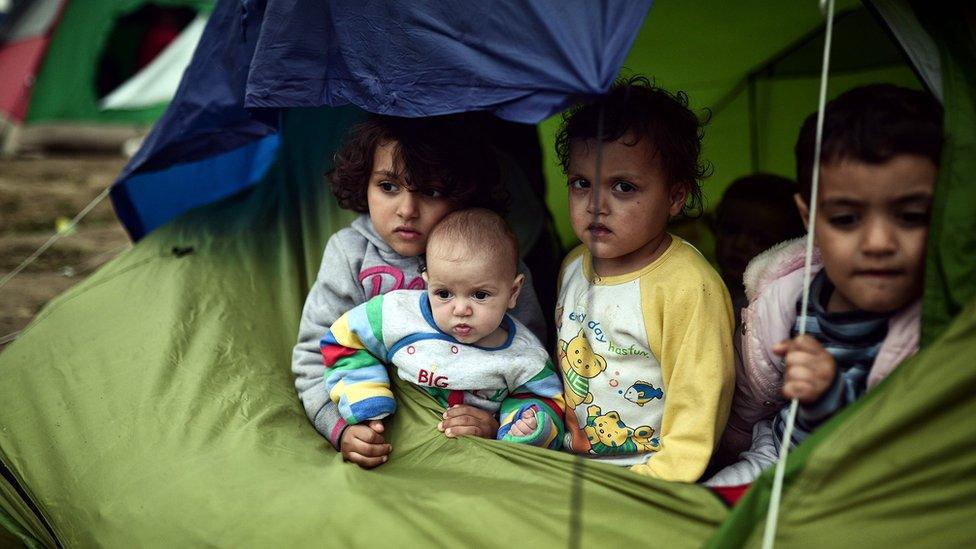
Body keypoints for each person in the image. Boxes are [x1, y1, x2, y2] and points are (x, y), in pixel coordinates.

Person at [706, 84, 943, 486]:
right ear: (808, 216)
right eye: (846, 219)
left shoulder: (940, 317)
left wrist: (832, 396)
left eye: (910, 216)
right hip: (777, 456)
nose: (879, 244)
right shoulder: (785, 297)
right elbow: (749, 402)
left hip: (869, 483)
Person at [292, 115, 547, 469]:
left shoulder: (497, 264)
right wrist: (339, 429)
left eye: (431, 191)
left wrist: (500, 425)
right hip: (382, 440)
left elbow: (530, 367)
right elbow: (314, 354)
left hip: (469, 450)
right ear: (363, 182)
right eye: (388, 186)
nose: (407, 210)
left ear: (464, 192)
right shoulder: (351, 254)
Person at [553, 76, 735, 482]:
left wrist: (655, 488)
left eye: (623, 187)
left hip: (652, 483)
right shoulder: (572, 265)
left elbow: (698, 410)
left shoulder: (689, 287)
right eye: (581, 183)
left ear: (675, 197)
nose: (595, 205)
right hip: (571, 470)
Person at [321, 209, 564, 459]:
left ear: (513, 292)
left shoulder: (524, 356)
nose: (460, 310)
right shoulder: (396, 314)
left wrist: (521, 427)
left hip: (473, 456)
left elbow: (548, 400)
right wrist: (364, 397)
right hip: (397, 444)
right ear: (427, 283)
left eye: (480, 295)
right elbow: (342, 340)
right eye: (444, 293)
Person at [713, 174, 806, 318]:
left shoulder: (782, 308)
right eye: (730, 230)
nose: (739, 245)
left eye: (759, 240)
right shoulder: (701, 284)